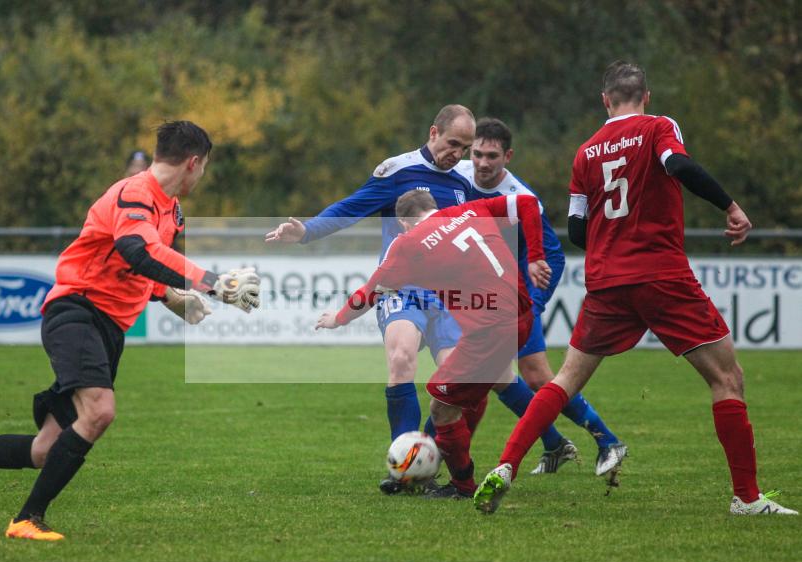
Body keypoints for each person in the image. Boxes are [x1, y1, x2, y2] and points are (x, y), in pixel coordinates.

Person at [0, 120, 263, 540]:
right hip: (77, 313)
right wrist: (211, 281)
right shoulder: (134, 193)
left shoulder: (173, 210)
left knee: (44, 450)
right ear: (193, 162)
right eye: (204, 168)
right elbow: (138, 249)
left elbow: (136, 264)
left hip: (107, 328)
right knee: (100, 412)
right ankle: (26, 519)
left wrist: (170, 297)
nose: (202, 176)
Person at [473, 61, 797, 516]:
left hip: (607, 281)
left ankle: (506, 465)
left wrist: (613, 231)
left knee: (564, 379)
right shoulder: (658, 126)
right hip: (661, 275)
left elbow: (579, 229)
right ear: (646, 96)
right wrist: (730, 205)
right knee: (727, 379)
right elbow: (677, 164)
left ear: (605, 101)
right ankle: (745, 498)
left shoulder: (585, 152)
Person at [266, 105, 476, 493]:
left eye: (465, 147)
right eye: (452, 144)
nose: (458, 154)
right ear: (433, 133)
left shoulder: (466, 179)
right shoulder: (398, 170)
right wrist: (308, 230)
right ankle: (405, 464)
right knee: (401, 359)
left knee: (455, 387)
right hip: (402, 288)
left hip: (449, 294)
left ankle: (425, 460)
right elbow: (351, 207)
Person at [317, 189, 551, 498]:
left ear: (402, 222)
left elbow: (371, 291)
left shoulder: (408, 245)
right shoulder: (471, 210)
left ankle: (462, 484)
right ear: (434, 208)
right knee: (474, 390)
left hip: (489, 331)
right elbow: (527, 202)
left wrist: (339, 318)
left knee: (442, 407)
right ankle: (440, 465)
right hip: (521, 317)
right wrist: (535, 257)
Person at [458, 118, 624, 476]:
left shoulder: (521, 196)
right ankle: (554, 444)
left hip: (528, 282)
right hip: (494, 286)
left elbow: (547, 254)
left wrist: (530, 290)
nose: (483, 163)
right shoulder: (459, 173)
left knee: (535, 374)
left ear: (508, 156)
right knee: (499, 374)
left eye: (492, 156)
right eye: (477, 154)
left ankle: (606, 439)